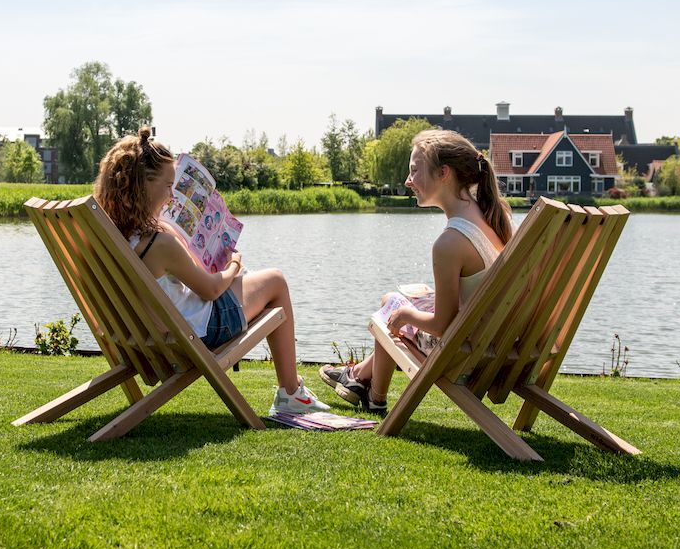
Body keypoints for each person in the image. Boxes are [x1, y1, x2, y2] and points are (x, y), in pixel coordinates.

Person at [94, 127, 331, 416]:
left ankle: (291, 392)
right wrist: (234, 264)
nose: (171, 197)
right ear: (141, 187)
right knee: (276, 281)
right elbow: (211, 289)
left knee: (248, 282)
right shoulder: (159, 244)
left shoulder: (111, 237)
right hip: (197, 331)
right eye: (167, 186)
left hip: (143, 340)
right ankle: (291, 392)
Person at [318, 129, 513, 413]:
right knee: (394, 301)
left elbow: (441, 325)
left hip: (466, 353)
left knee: (392, 307)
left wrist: (406, 315)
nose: (408, 181)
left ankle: (373, 393)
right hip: (494, 343)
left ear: (443, 173)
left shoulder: (451, 242)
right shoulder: (492, 218)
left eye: (414, 171)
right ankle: (360, 379)